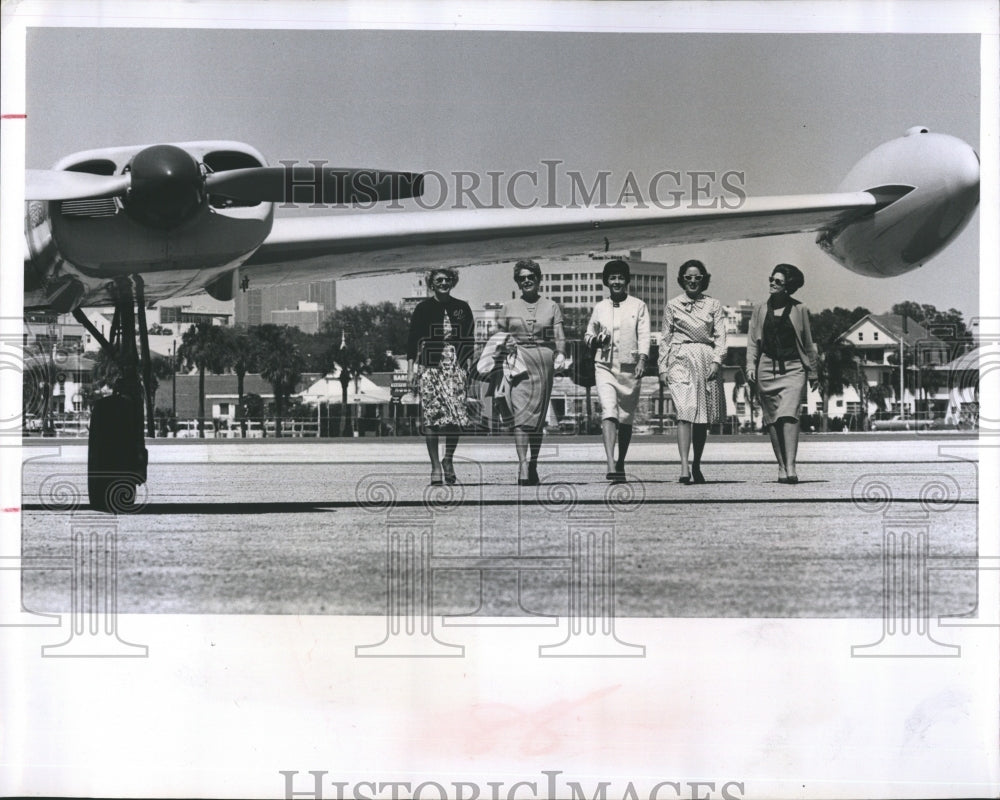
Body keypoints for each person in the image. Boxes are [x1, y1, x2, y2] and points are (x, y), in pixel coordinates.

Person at [745, 263, 818, 484]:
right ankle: (781, 466)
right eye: (771, 279)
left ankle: (792, 465)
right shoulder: (759, 309)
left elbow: (807, 342)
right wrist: (750, 366)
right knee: (773, 420)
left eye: (778, 281)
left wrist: (813, 371)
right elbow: (752, 342)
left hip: (794, 368)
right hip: (767, 368)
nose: (772, 283)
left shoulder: (800, 309)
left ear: (788, 287)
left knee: (789, 415)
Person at [496, 259, 567, 485]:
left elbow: (559, 335)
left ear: (538, 279)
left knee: (536, 418)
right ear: (518, 282)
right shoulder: (508, 307)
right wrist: (503, 345)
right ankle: (523, 465)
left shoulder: (551, 306)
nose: (527, 281)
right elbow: (499, 335)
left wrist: (561, 354)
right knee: (521, 416)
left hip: (543, 361)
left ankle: (534, 462)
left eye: (531, 277)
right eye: (522, 278)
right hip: (518, 362)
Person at [658, 259, 727, 484]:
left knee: (701, 418)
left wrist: (717, 361)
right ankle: (684, 467)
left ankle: (697, 462)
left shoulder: (713, 304)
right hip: (680, 359)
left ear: (703, 279)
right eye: (688, 277)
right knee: (685, 412)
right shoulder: (672, 305)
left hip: (705, 359)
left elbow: (720, 336)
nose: (693, 282)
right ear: (682, 280)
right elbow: (665, 338)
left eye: (697, 277)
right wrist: (662, 367)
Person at [406, 267, 474, 485]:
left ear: (452, 282)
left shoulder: (462, 307)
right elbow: (413, 339)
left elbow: (469, 340)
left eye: (447, 280)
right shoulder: (423, 308)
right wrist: (411, 370)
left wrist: (468, 367)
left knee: (455, 418)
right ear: (432, 284)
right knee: (432, 419)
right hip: (431, 365)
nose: (444, 283)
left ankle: (448, 460)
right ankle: (435, 466)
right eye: (439, 280)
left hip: (455, 365)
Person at [585, 259, 650, 482]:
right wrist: (595, 340)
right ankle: (610, 463)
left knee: (625, 418)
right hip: (604, 366)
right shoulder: (599, 308)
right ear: (606, 281)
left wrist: (643, 360)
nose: (616, 282)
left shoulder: (638, 305)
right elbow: (587, 336)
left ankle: (621, 459)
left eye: (620, 277)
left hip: (630, 368)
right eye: (612, 278)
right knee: (609, 410)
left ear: (627, 280)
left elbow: (644, 336)